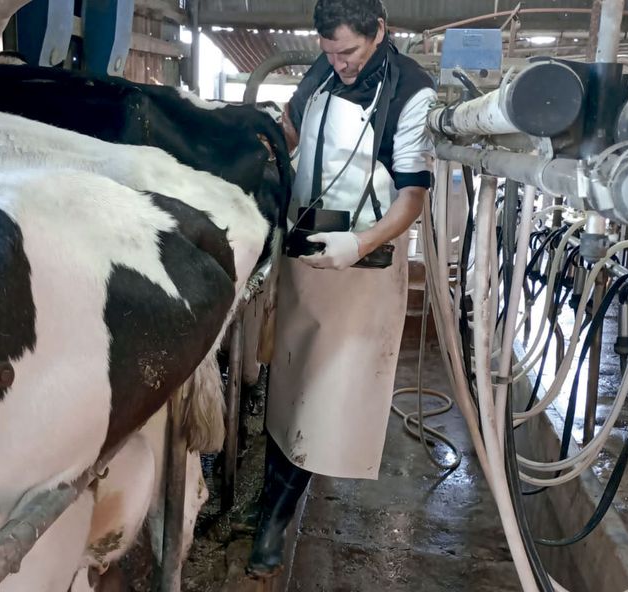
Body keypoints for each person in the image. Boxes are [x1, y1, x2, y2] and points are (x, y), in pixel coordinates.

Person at [247, 0, 436, 577]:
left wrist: (357, 244)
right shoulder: (322, 71)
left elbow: (411, 196)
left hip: (362, 263)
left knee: (322, 396)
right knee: (289, 384)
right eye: (330, 52)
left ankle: (273, 520)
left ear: (380, 31)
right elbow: (292, 132)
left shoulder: (411, 91)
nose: (340, 63)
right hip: (306, 250)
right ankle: (271, 496)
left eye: (349, 51)